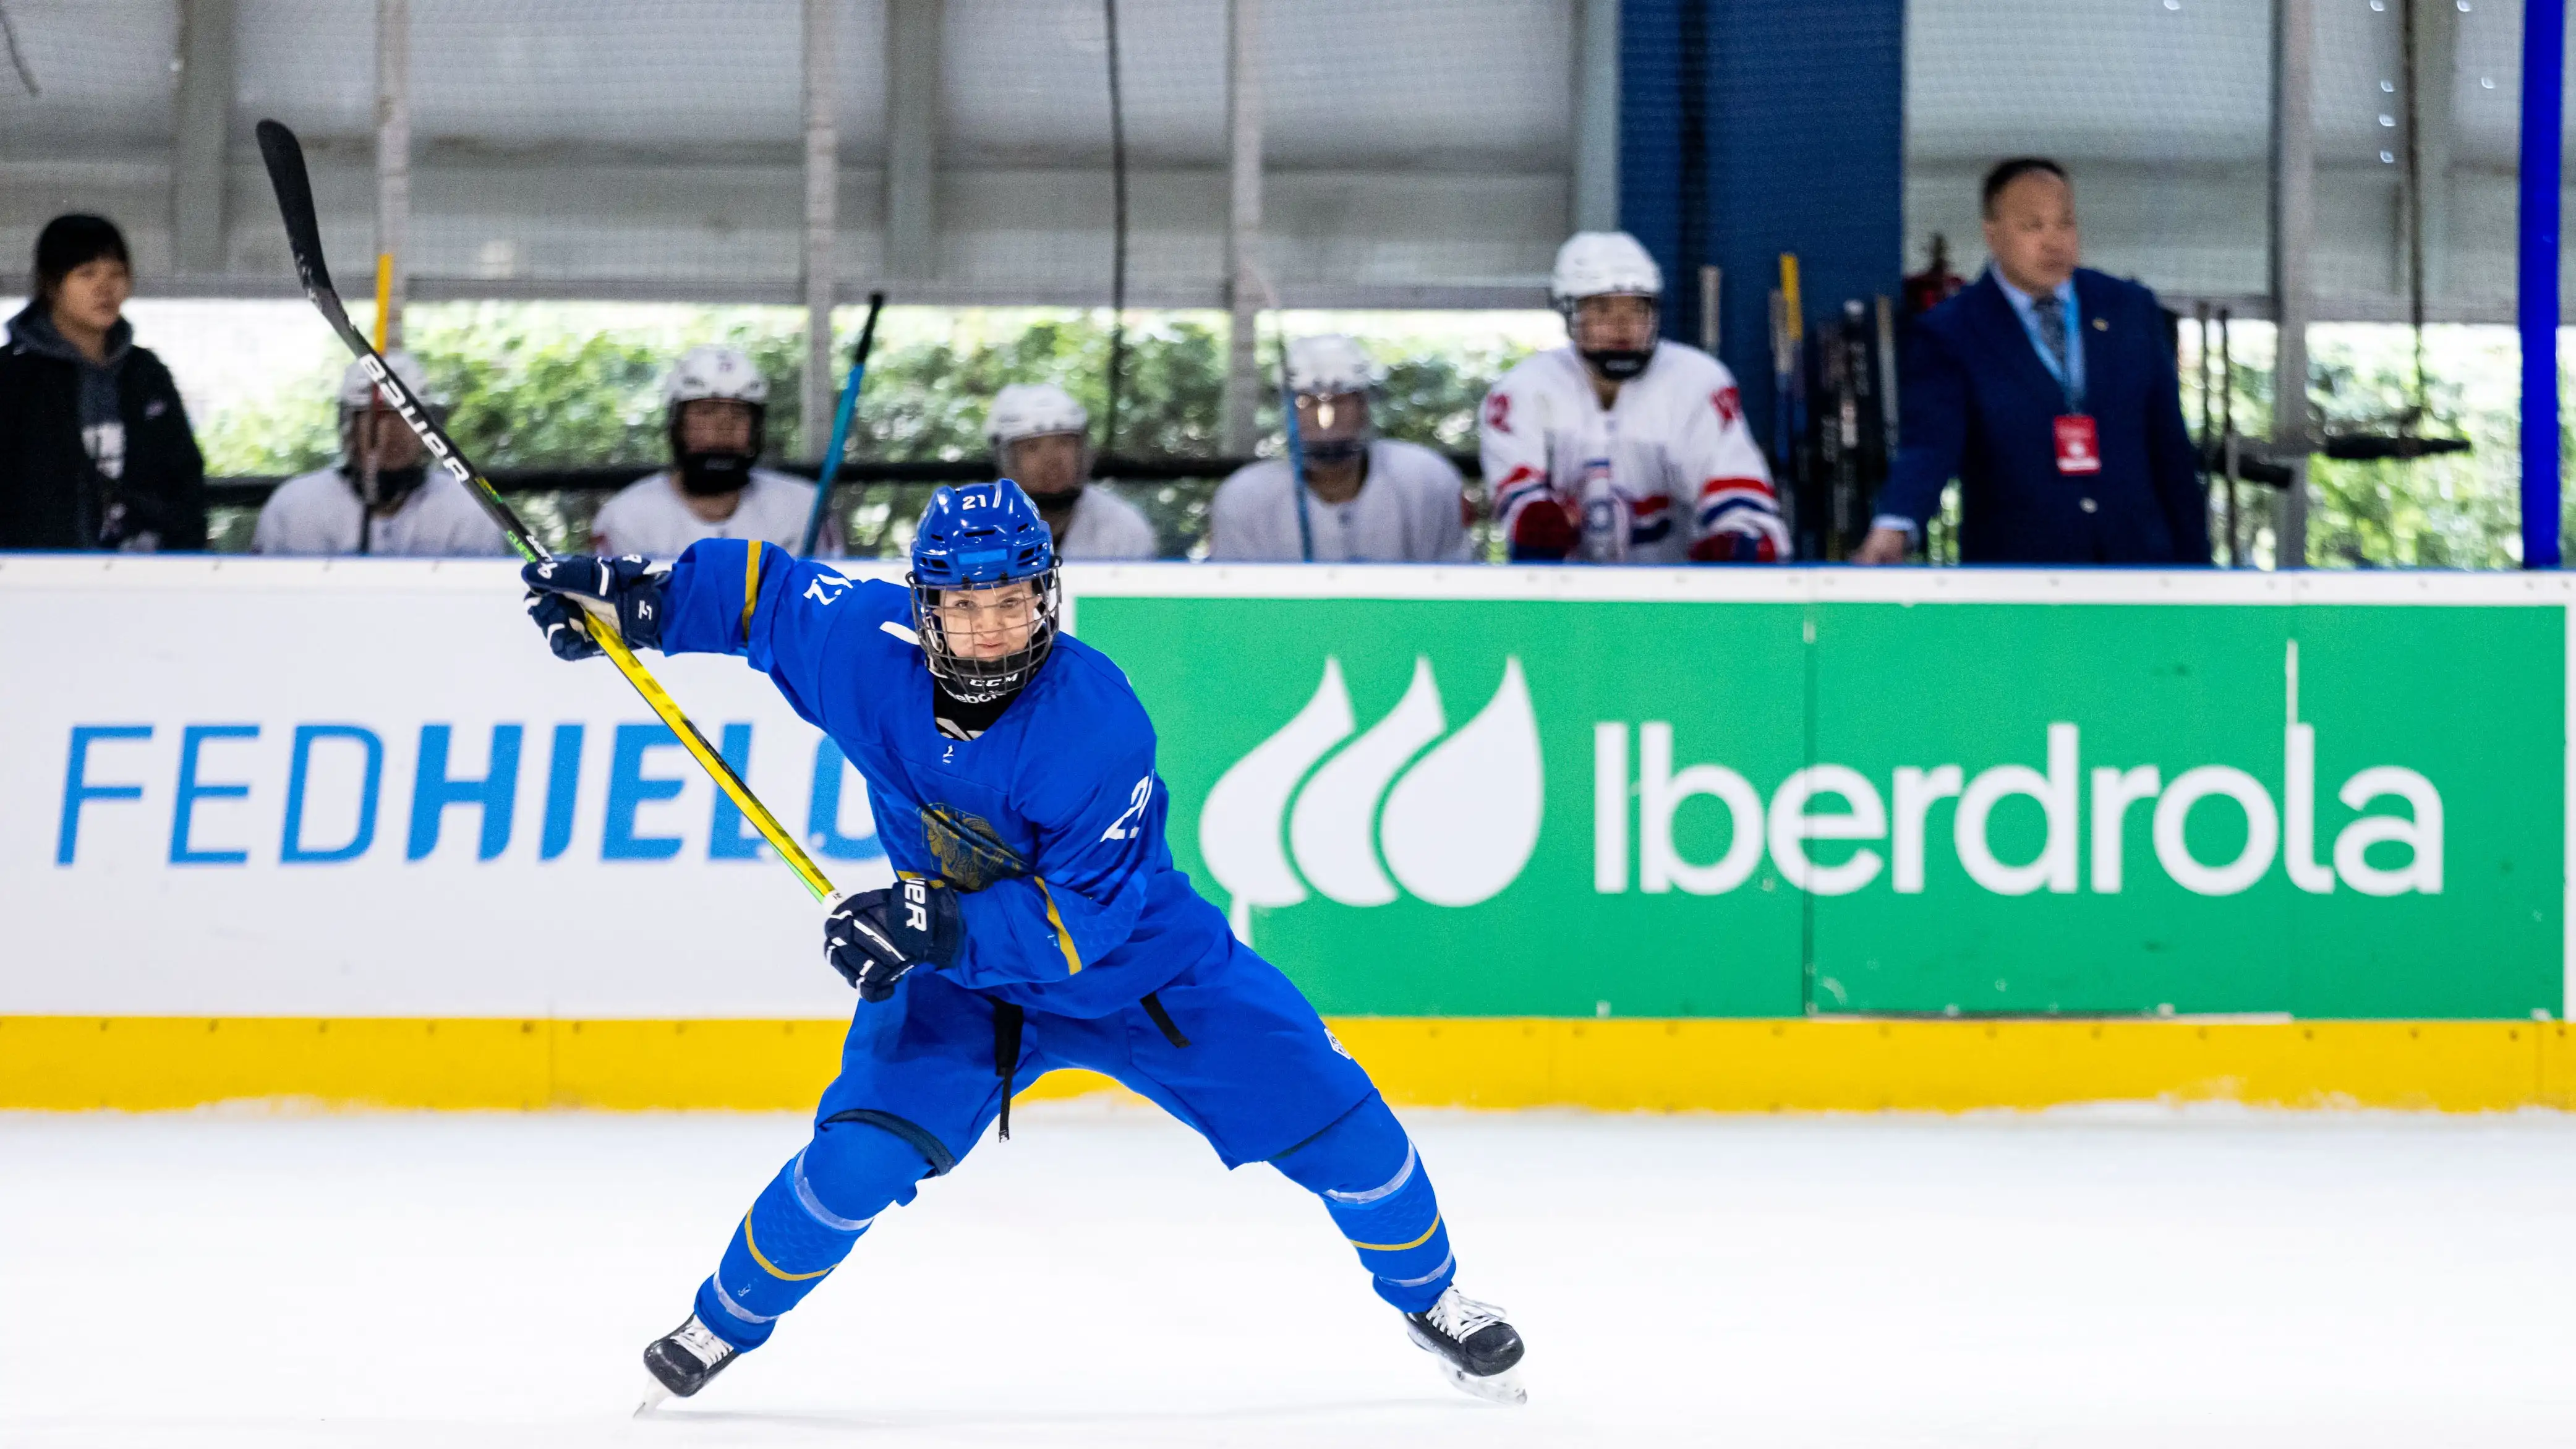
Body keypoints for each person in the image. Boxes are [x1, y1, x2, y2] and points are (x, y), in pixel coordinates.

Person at [519, 481, 1527, 1409]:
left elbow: (1082, 918)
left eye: (1011, 600)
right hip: (960, 981)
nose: (990, 627)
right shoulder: (865, 651)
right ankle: (719, 1322)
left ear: (1046, 596)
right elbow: (766, 594)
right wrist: (638, 601)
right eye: (963, 605)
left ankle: (1432, 1296)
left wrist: (929, 921)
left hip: (1145, 968)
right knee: (856, 1162)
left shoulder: (1095, 724)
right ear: (925, 609)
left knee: (1347, 1127)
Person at [1853, 158, 2208, 566]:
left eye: (2065, 223)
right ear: (1992, 234)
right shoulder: (1952, 332)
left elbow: (2171, 449)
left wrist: (2198, 569)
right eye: (2033, 226)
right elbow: (1930, 447)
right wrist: (1895, 526)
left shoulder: (2129, 309)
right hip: (2017, 581)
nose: (2053, 241)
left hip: (2139, 571)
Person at [1480, 231, 1785, 564]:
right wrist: (1536, 522)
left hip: (1674, 594)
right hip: (1564, 596)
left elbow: (1735, 490)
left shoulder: (1696, 380)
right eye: (1602, 308)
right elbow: (1521, 510)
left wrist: (1739, 538)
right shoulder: (1524, 389)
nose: (1622, 325)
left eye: (1638, 308)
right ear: (1569, 313)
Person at [0, 213, 205, 551]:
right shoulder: (13, 376)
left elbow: (185, 480)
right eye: (86, 274)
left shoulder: (146, 373)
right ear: (52, 285)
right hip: (37, 578)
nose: (105, 289)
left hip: (143, 577)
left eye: (117, 274)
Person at [1206, 334, 1472, 562]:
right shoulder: (1245, 497)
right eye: (1306, 402)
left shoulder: (1426, 479)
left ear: (1365, 406)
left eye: (1342, 400)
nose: (1325, 417)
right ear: (1285, 410)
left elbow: (1455, 583)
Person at [252, 352, 510, 557]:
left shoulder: (467, 509)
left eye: (407, 419)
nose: (391, 433)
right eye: (376, 419)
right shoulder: (293, 508)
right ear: (348, 429)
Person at [590, 344, 833, 557]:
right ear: (677, 424)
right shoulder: (625, 517)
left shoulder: (803, 508)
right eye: (707, 412)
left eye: (739, 414)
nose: (724, 427)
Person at [984, 382, 1158, 558]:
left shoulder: (1124, 528)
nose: (1051, 460)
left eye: (1064, 444)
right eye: (1032, 448)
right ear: (1005, 460)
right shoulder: (975, 530)